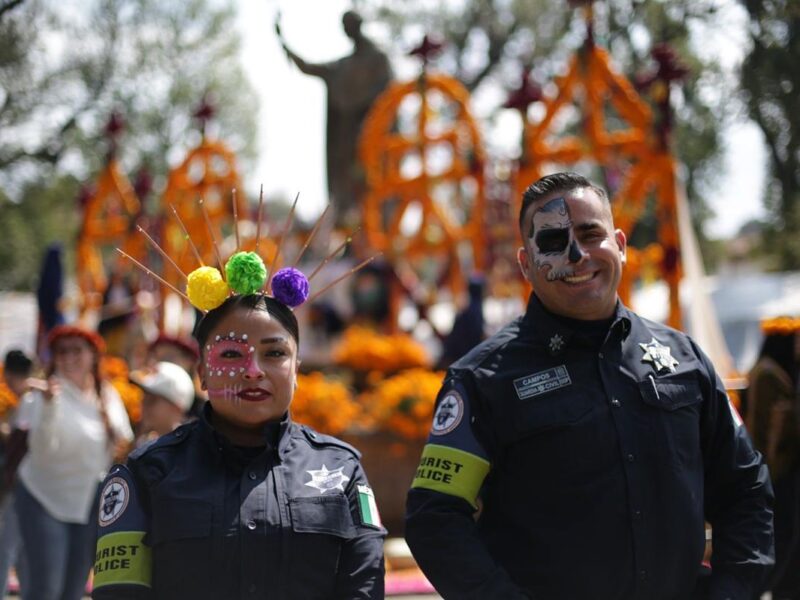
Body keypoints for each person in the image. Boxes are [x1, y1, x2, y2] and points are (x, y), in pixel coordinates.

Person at [405, 172, 774, 599]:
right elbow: (435, 518)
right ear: (526, 264)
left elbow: (746, 490)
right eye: (553, 241)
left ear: (619, 243)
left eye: (590, 233)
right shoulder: (483, 380)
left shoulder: (685, 360)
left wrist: (732, 591)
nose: (577, 254)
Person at [93, 293, 386, 599]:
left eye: (274, 353)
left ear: (296, 370)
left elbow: (364, 587)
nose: (253, 370)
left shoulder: (342, 470)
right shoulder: (148, 471)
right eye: (231, 354)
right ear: (202, 373)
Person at [14, 325, 133, 600]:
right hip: (42, 498)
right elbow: (43, 452)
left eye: (76, 350)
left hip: (88, 503)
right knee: (46, 589)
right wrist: (48, 407)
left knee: (74, 590)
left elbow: (124, 439)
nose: (68, 357)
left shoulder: (107, 395)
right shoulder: (41, 397)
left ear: (93, 354)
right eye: (61, 351)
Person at [276, 10, 392, 227]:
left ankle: (377, 229)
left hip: (372, 137)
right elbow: (308, 67)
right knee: (345, 188)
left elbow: (387, 91)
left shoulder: (377, 59)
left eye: (349, 26)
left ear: (358, 26)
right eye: (344, 27)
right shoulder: (342, 67)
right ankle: (351, 233)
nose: (347, 31)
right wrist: (283, 42)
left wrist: (361, 106)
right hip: (345, 139)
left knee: (372, 185)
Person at [746, 318, 800, 599]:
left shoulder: (768, 370)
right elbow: (773, 429)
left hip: (774, 468)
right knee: (782, 535)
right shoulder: (769, 374)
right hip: (776, 470)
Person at [0, 349, 34, 598]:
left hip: (25, 485)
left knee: (6, 547)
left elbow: (23, 442)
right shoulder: (27, 397)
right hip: (27, 486)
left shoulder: (32, 398)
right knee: (22, 550)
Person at [130, 361, 195, 446]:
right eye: (144, 397)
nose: (144, 404)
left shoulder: (191, 448)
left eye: (152, 400)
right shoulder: (144, 442)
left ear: (176, 409)